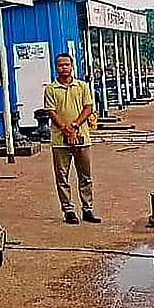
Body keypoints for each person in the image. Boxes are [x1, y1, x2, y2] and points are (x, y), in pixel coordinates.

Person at [44, 52, 100, 225]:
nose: (64, 68)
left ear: (72, 66)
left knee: (85, 175)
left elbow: (88, 108)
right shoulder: (51, 89)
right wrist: (65, 129)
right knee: (62, 176)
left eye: (67, 64)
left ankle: (87, 209)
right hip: (60, 141)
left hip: (82, 137)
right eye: (61, 65)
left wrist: (75, 126)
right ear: (56, 67)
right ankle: (68, 210)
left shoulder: (82, 86)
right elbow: (51, 112)